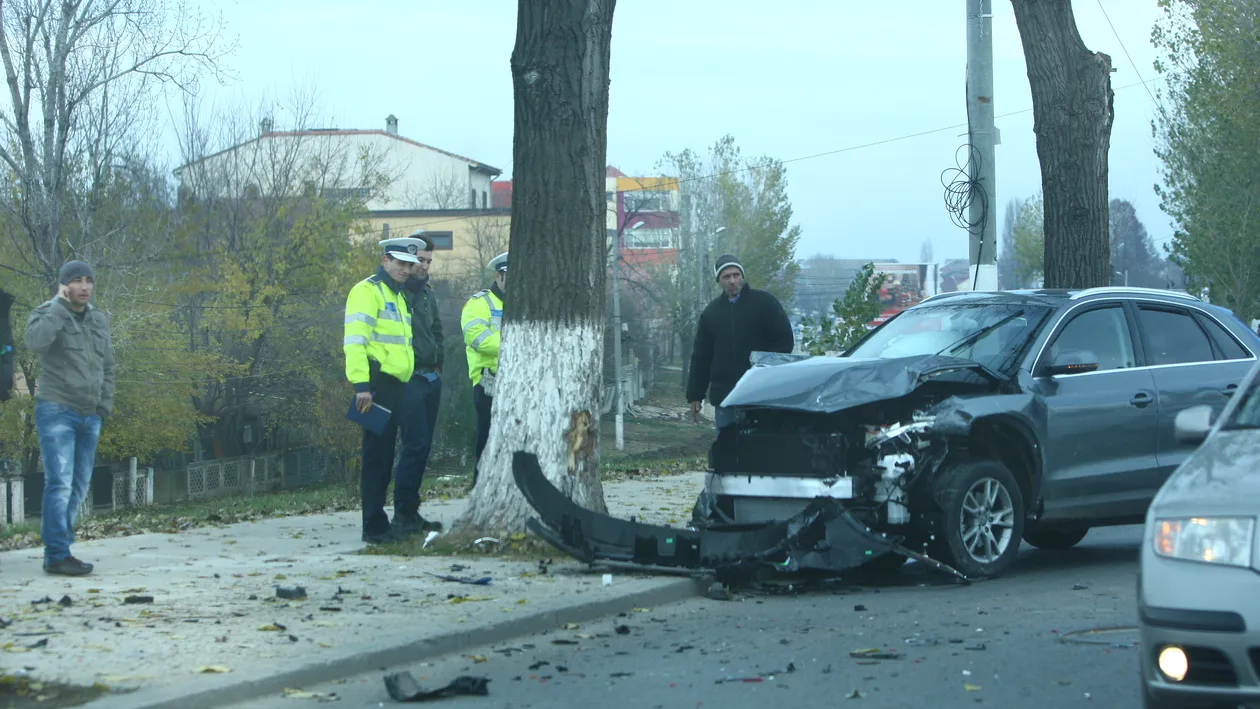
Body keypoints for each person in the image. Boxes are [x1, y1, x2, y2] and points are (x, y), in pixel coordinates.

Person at [24, 260, 115, 576]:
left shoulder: (99, 321)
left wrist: (103, 408)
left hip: (90, 415)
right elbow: (35, 342)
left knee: (78, 485)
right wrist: (60, 306)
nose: (85, 286)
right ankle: (57, 554)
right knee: (59, 484)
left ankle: (60, 550)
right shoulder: (46, 313)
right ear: (64, 285)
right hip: (57, 410)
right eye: (77, 280)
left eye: (89, 280)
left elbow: (108, 367)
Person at [344, 237, 422, 544]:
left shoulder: (399, 297)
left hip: (398, 384)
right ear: (385, 260)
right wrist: (361, 386)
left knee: (388, 454)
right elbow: (355, 342)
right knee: (376, 457)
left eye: (409, 265)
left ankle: (382, 523)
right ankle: (373, 527)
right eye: (400, 263)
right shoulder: (367, 291)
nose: (405, 270)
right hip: (376, 386)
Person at [686, 254, 795, 430]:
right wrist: (695, 395)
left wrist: (764, 370)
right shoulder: (711, 313)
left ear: (742, 276)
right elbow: (701, 357)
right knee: (727, 451)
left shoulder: (764, 303)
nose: (732, 281)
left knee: (760, 449)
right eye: (726, 277)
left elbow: (784, 341)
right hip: (726, 398)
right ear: (719, 281)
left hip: (760, 397)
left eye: (736, 275)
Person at [396, 229, 444, 536]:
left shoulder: (428, 295)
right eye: (420, 260)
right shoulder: (398, 293)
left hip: (430, 379)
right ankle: (404, 515)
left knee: (423, 447)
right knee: (413, 446)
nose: (425, 266)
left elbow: (438, 331)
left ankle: (412, 513)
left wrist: (438, 368)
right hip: (408, 380)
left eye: (429, 260)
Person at [460, 252, 507, 486]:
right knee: (487, 439)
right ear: (499, 276)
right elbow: (478, 339)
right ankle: (481, 486)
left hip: (519, 384)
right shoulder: (479, 304)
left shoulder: (524, 302)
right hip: (489, 383)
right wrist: (517, 345)